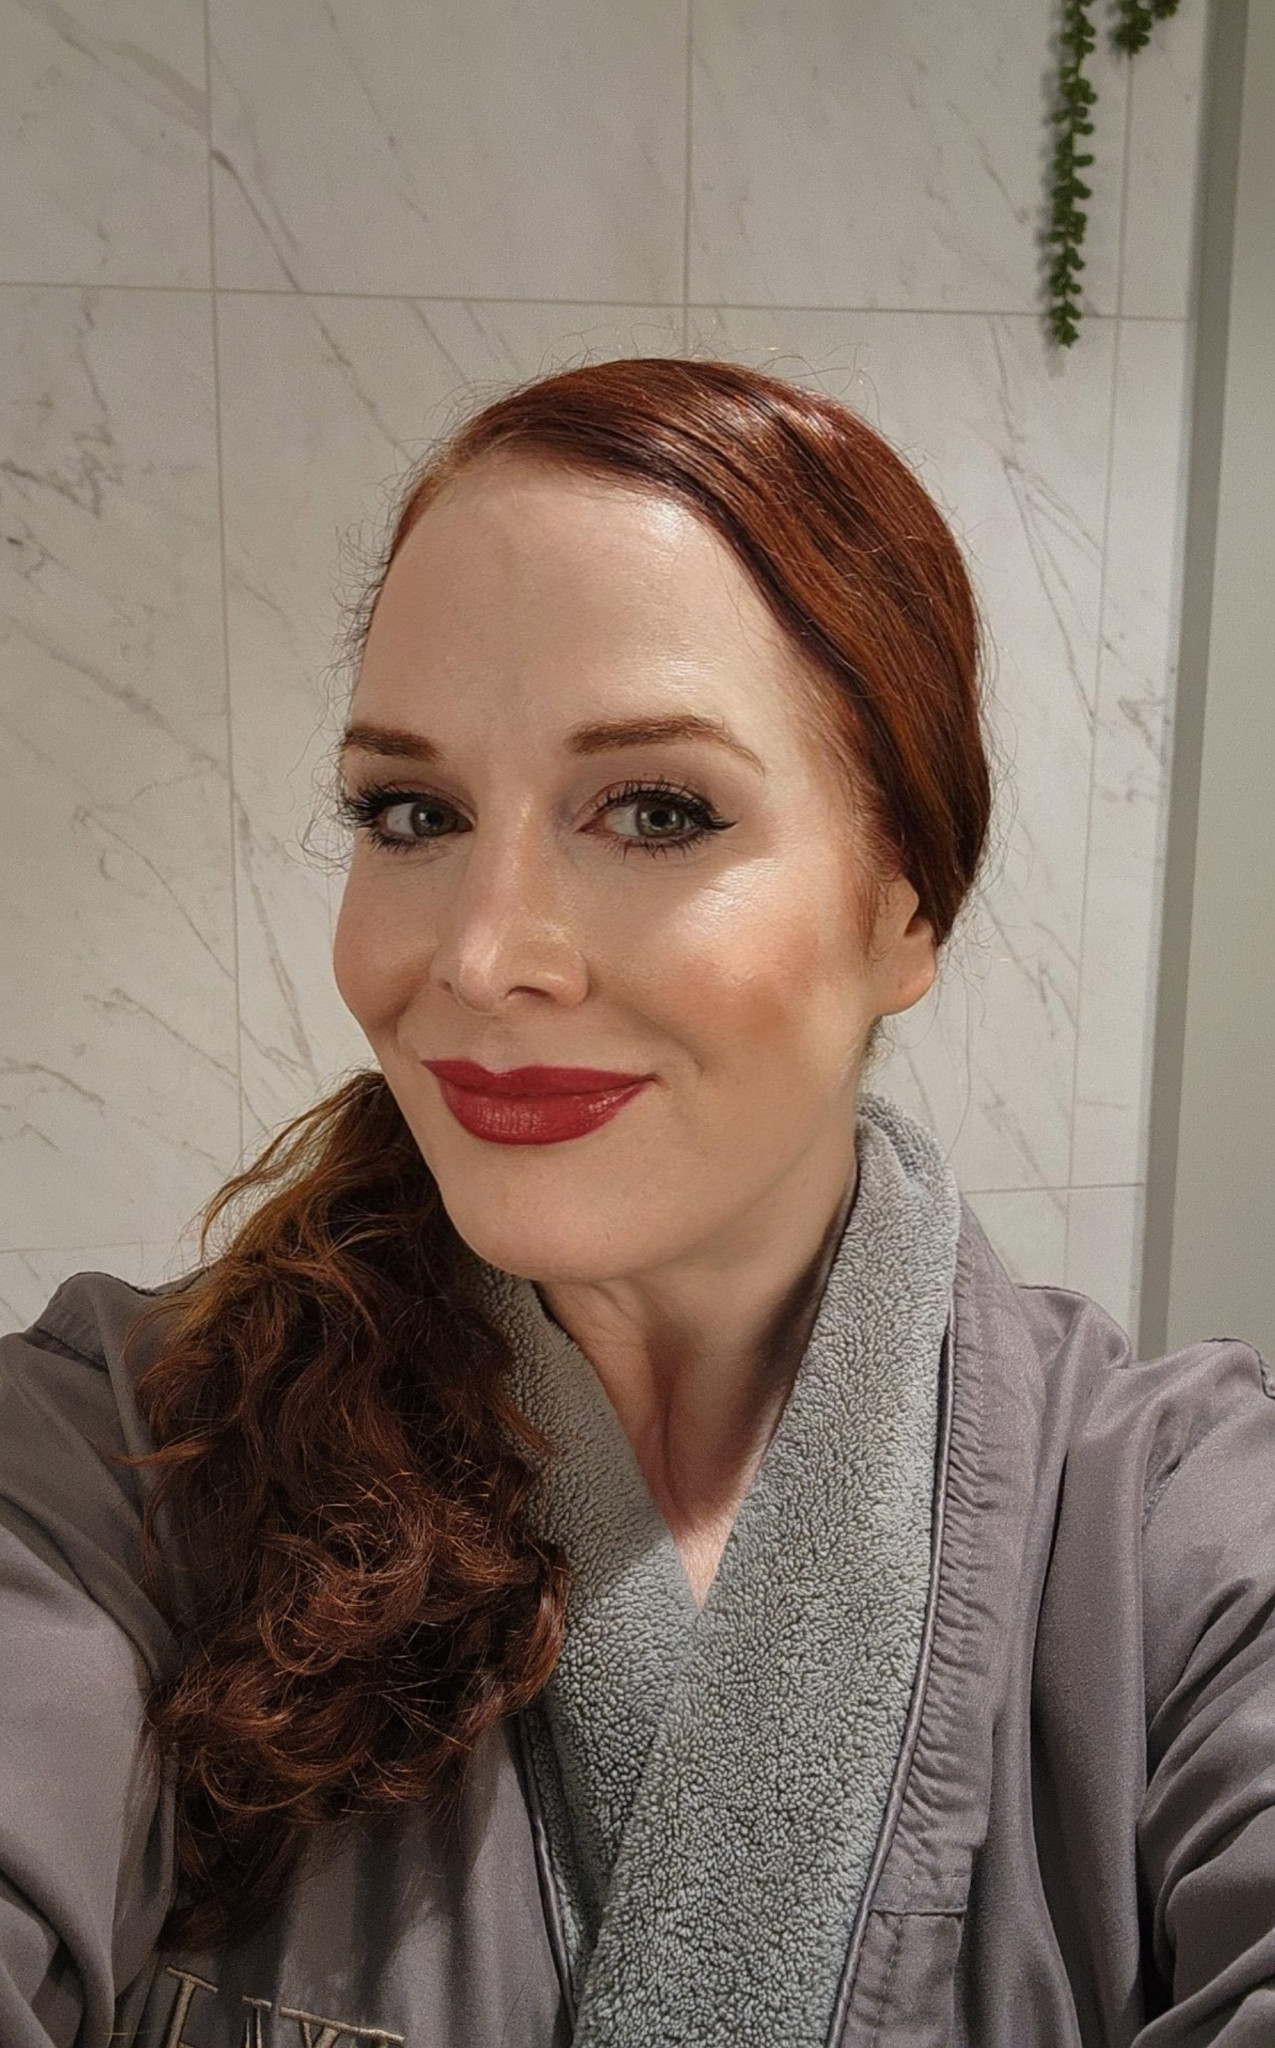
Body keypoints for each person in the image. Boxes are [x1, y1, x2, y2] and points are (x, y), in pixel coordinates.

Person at [1, 357, 1272, 2048]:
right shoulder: (112, 1465)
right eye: (413, 812)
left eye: (657, 811)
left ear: (908, 907)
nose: (481, 956)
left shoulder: (1179, 1538)